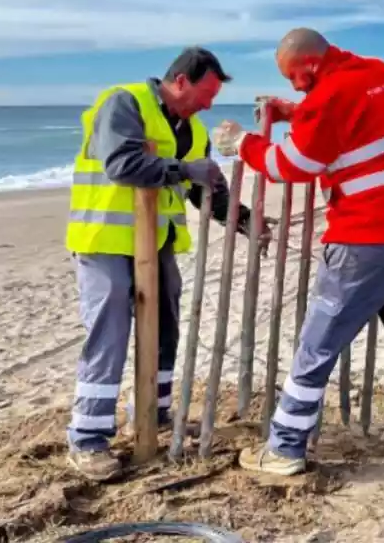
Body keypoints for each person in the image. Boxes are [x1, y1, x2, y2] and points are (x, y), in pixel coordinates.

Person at [212, 28, 384, 481]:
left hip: (364, 242)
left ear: (309, 66)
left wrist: (243, 144)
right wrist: (299, 110)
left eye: (295, 78)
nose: (293, 87)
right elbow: (347, 120)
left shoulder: (329, 95)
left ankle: (286, 448)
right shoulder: (378, 73)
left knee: (317, 345)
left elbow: (292, 165)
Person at [65, 46, 264, 480]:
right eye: (205, 93)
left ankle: (153, 414)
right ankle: (87, 438)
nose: (210, 104)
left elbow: (205, 184)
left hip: (158, 243)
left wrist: (245, 220)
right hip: (104, 238)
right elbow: (123, 164)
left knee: (167, 324)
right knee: (110, 328)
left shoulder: (193, 129)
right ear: (179, 81)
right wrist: (183, 170)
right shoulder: (125, 102)